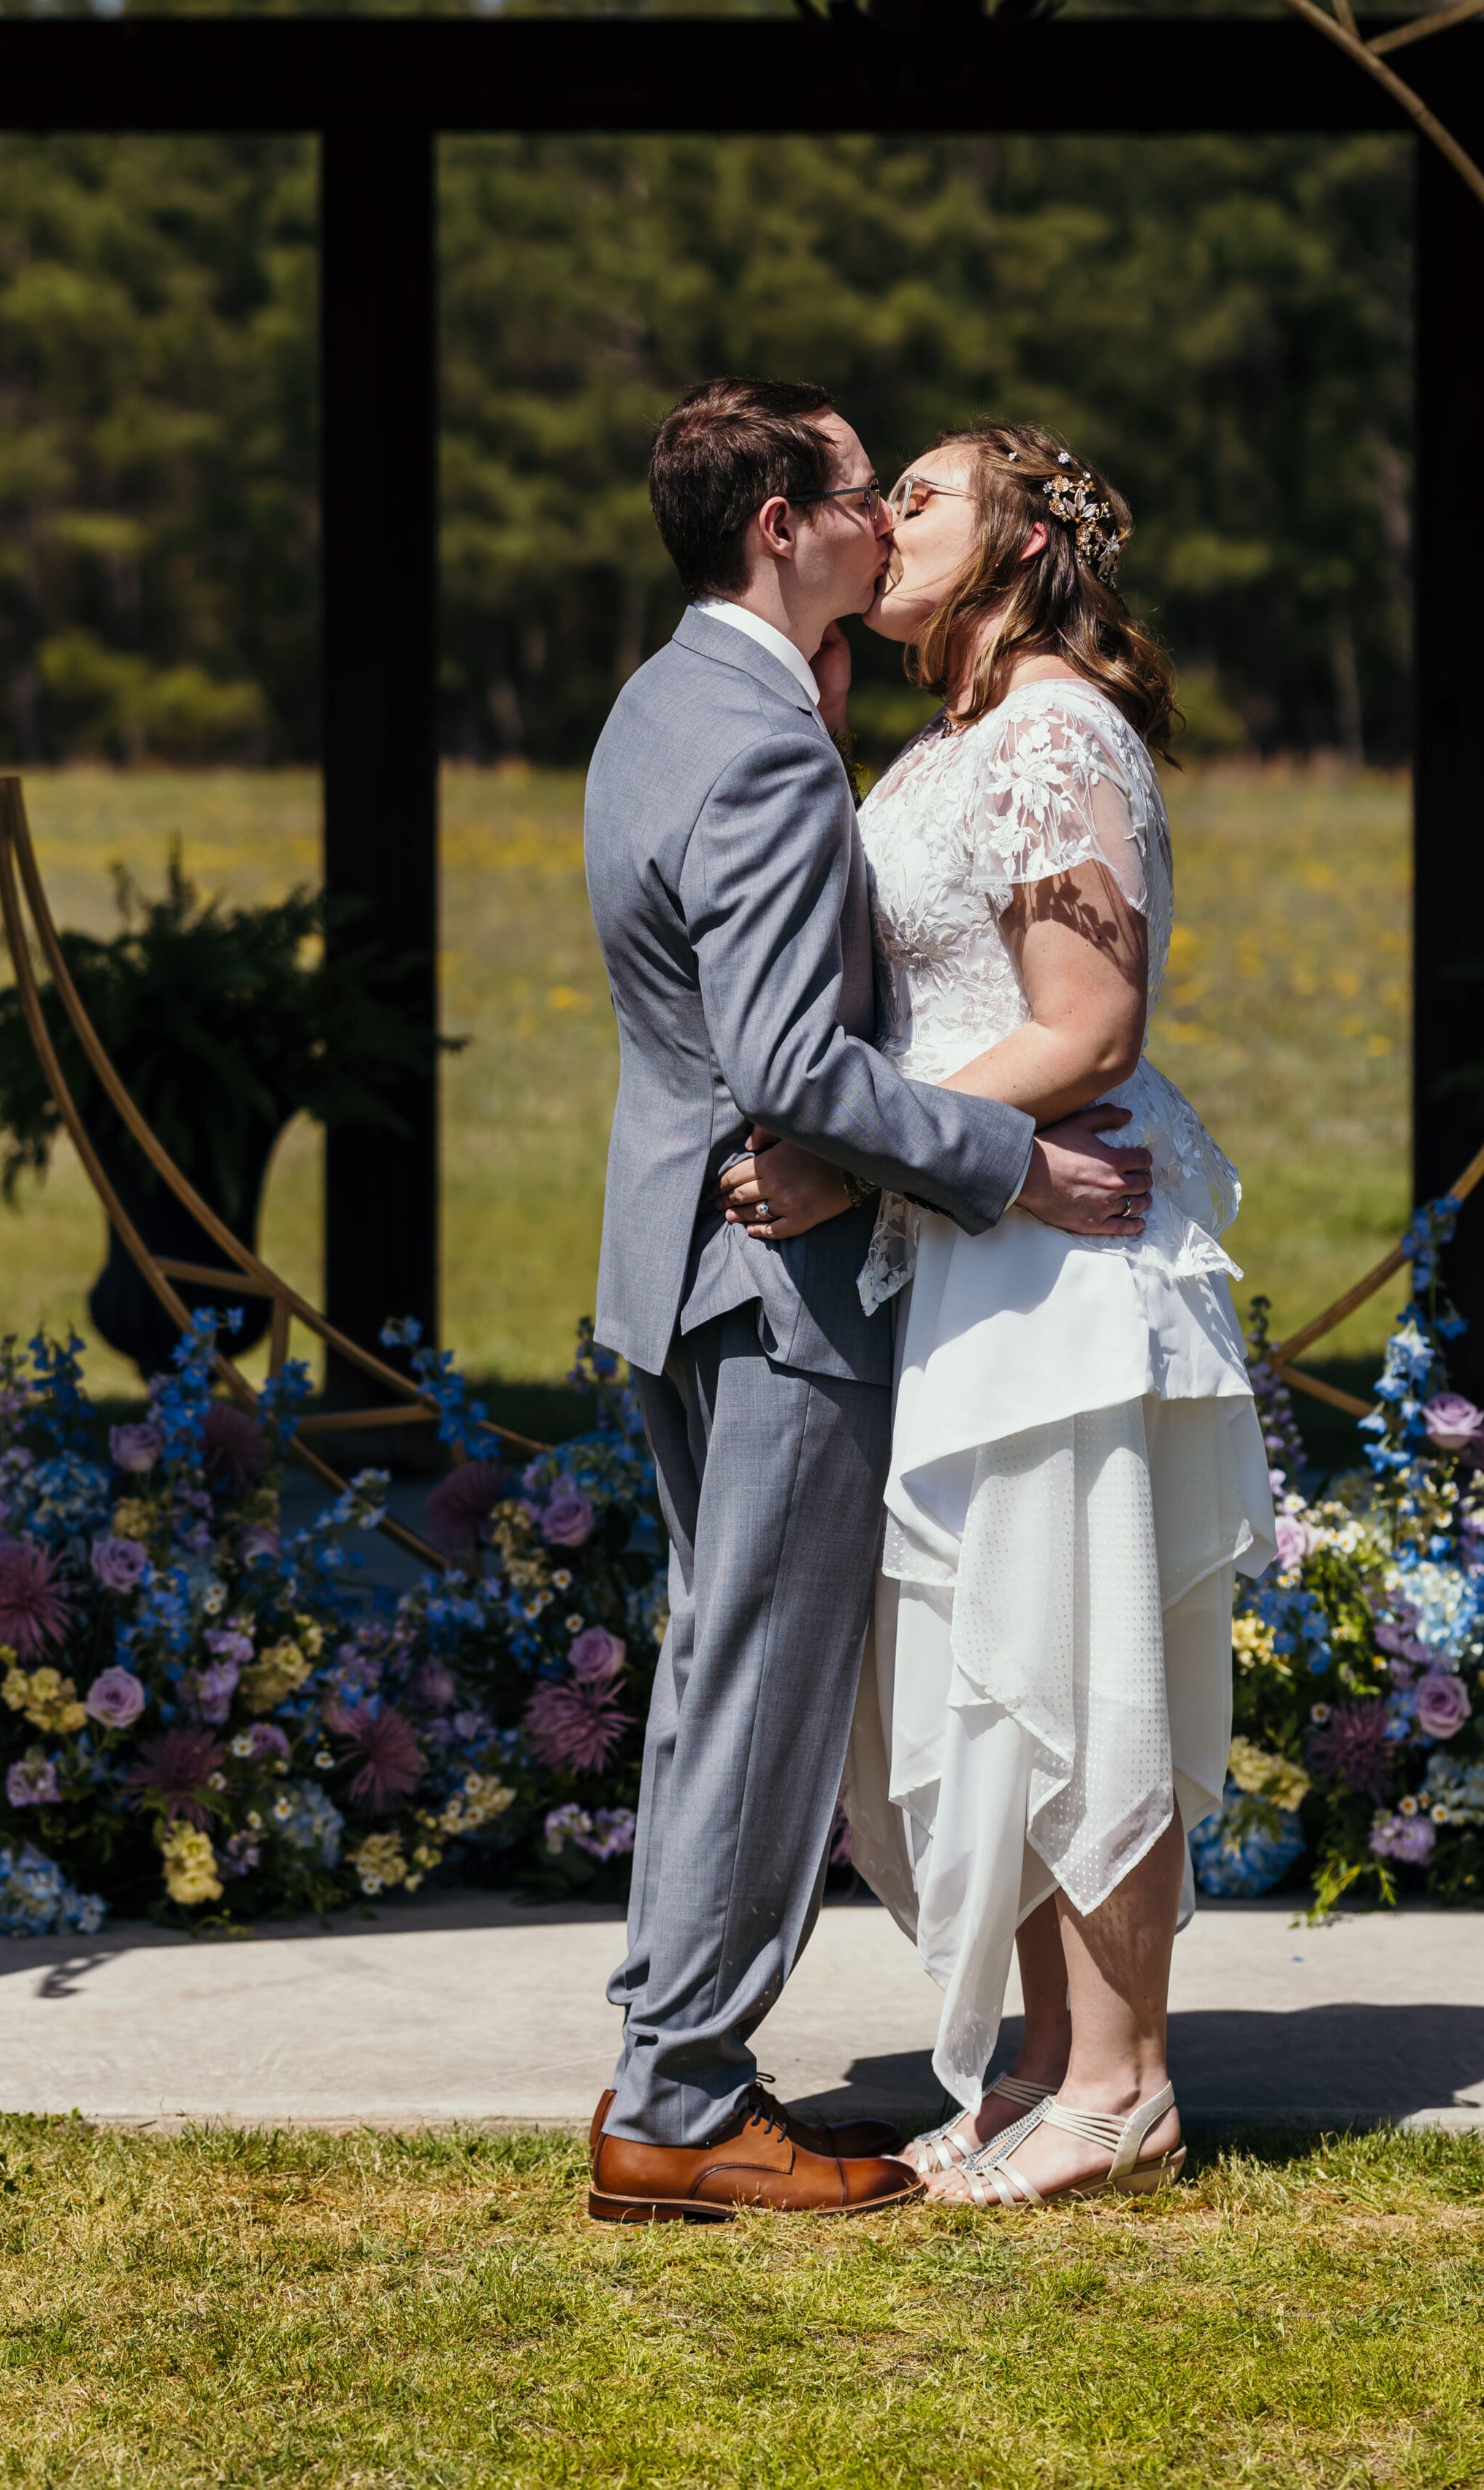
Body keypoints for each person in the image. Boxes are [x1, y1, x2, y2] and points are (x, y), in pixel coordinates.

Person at [581, 376, 1155, 2226]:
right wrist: (1004, 1164)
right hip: (779, 1269)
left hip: (695, 1255)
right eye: (864, 489)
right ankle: (678, 2092)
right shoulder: (759, 738)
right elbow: (783, 1057)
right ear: (786, 526)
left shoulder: (676, 698)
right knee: (758, 1689)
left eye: (922, 495)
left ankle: (700, 2065)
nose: (886, 517)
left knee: (736, 1673)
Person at [719, 422, 1276, 2209]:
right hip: (978, 1240)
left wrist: (854, 1160)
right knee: (1005, 1666)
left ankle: (1125, 2085)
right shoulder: (951, 736)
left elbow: (1089, 1023)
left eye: (928, 495)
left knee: (1080, 1654)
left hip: (1064, 1256)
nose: (887, 521)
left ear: (1028, 541)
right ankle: (1044, 2063)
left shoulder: (1050, 729)